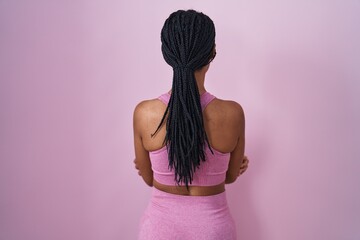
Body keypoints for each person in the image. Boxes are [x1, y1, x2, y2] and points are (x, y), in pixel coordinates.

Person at [133, 9, 249, 240]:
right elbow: (229, 177)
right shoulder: (233, 113)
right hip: (213, 230)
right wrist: (232, 167)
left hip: (158, 230)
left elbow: (149, 179)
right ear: (212, 52)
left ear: (167, 53)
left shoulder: (144, 113)